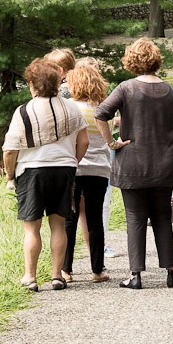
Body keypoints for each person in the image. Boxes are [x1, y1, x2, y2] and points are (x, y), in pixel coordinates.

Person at [98, 38, 173, 289]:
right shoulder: (168, 89)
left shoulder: (126, 88)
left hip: (133, 162)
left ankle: (135, 275)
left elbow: (101, 113)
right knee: (161, 216)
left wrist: (112, 143)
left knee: (135, 217)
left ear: (131, 61)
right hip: (164, 161)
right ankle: (171, 272)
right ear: (156, 60)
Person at [1, 57, 89, 290]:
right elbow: (84, 141)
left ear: (32, 84)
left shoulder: (23, 111)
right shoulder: (71, 107)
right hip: (64, 170)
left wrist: (10, 175)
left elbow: (10, 149)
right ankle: (57, 275)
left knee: (32, 227)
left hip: (31, 171)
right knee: (58, 224)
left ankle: (30, 277)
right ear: (57, 82)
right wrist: (73, 162)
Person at [64, 60, 114, 282]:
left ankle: (66, 269)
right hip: (98, 169)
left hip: (73, 168)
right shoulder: (102, 111)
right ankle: (97, 269)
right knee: (94, 219)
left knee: (69, 219)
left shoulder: (70, 109)